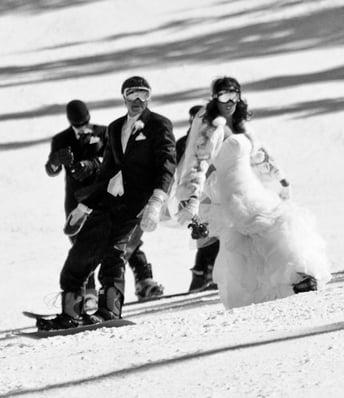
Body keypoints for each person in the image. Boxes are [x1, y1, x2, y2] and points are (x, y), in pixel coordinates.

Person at [176, 77, 330, 309]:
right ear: (214, 98)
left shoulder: (239, 125)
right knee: (275, 223)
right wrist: (191, 203)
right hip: (232, 192)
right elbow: (198, 166)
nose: (229, 102)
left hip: (250, 186)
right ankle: (297, 278)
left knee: (264, 232)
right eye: (223, 96)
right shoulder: (212, 127)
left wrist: (280, 180)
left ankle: (282, 285)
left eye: (234, 96)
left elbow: (260, 157)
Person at [37, 76, 176, 330]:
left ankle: (109, 310)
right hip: (107, 201)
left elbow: (167, 164)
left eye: (143, 95)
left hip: (136, 203)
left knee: (114, 254)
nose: (137, 100)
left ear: (149, 97)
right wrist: (84, 206)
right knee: (79, 257)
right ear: (124, 97)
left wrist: (157, 200)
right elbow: (107, 173)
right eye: (132, 94)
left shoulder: (159, 125)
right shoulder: (114, 128)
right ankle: (71, 313)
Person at [45, 101, 165, 306]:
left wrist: (93, 165)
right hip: (77, 200)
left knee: (120, 237)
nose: (83, 128)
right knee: (82, 244)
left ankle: (144, 279)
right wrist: (56, 160)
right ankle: (87, 292)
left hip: (105, 194)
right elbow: (51, 169)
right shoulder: (61, 139)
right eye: (78, 124)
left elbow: (117, 159)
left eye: (85, 122)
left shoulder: (104, 132)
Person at [175, 104, 220, 292]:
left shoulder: (217, 136)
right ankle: (202, 276)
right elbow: (180, 173)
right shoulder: (184, 143)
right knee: (204, 234)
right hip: (197, 195)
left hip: (216, 190)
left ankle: (212, 274)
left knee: (219, 234)